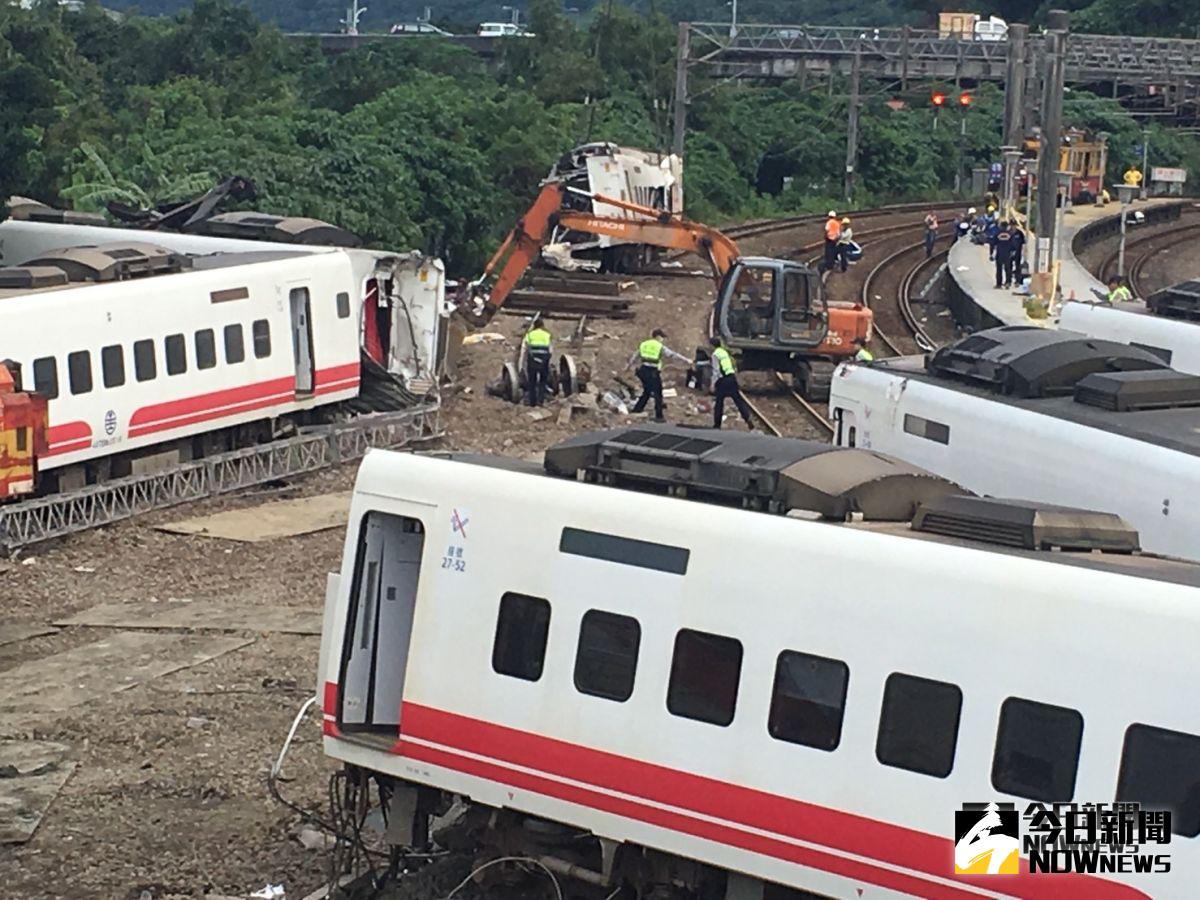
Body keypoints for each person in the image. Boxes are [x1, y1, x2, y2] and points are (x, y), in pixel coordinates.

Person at [628, 328, 689, 422]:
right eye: (662, 337)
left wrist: (629, 367)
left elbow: (635, 357)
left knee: (647, 391)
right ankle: (659, 416)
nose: (662, 339)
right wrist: (686, 360)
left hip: (643, 371)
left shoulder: (644, 344)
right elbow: (672, 355)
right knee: (658, 393)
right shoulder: (659, 346)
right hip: (652, 372)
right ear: (657, 336)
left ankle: (637, 409)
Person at [709, 336, 754, 430]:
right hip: (732, 378)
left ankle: (717, 424)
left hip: (723, 380)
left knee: (719, 402)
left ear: (712, 345)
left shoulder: (715, 355)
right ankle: (747, 418)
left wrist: (712, 384)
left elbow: (716, 371)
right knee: (738, 400)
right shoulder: (724, 352)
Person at [522, 317, 552, 407]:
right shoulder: (547, 334)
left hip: (532, 360)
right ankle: (540, 401)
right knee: (543, 381)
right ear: (542, 326)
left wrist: (524, 362)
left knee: (532, 382)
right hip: (544, 360)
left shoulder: (530, 335)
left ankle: (532, 402)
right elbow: (550, 350)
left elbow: (525, 348)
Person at [992, 220, 1014, 288]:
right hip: (1008, 254)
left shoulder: (997, 234)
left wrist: (991, 253)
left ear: (1001, 226)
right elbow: (1013, 245)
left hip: (999, 253)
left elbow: (993, 243)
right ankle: (1008, 282)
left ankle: (999, 284)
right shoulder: (1010, 234)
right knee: (1008, 269)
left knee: (999, 269)